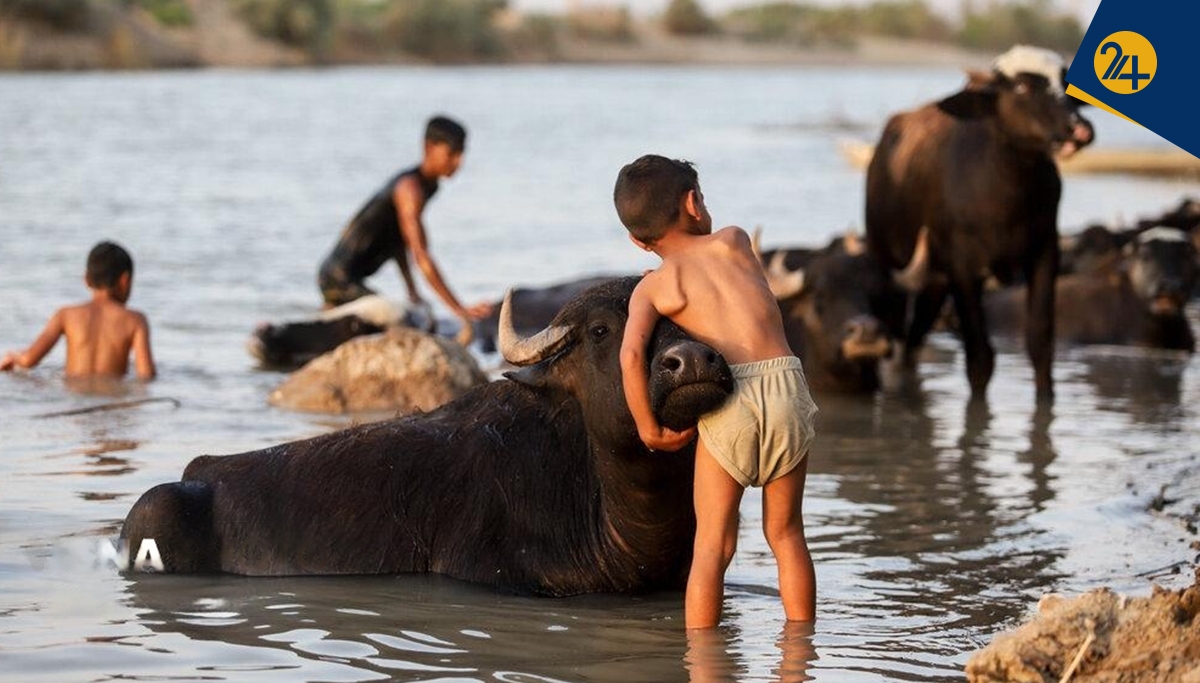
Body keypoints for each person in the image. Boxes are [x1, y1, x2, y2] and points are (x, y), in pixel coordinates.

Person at [615, 155, 818, 629]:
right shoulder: (734, 241)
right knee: (786, 534)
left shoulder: (654, 289)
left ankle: (705, 667)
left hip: (733, 401)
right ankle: (798, 663)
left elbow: (629, 358)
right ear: (693, 203)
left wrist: (650, 428)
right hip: (788, 385)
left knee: (712, 545)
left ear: (636, 241)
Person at [317, 115, 493, 331]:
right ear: (429, 147)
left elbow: (400, 241)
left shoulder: (429, 186)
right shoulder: (410, 190)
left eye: (461, 153)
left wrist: (412, 289)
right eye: (452, 153)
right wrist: (459, 309)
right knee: (393, 323)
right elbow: (421, 254)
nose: (458, 162)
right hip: (338, 279)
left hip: (347, 278)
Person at [1, 241, 156, 380]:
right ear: (125, 280)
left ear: (86, 279)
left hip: (74, 400)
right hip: (111, 404)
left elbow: (28, 360)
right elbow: (146, 375)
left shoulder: (66, 315)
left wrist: (12, 356)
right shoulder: (135, 320)